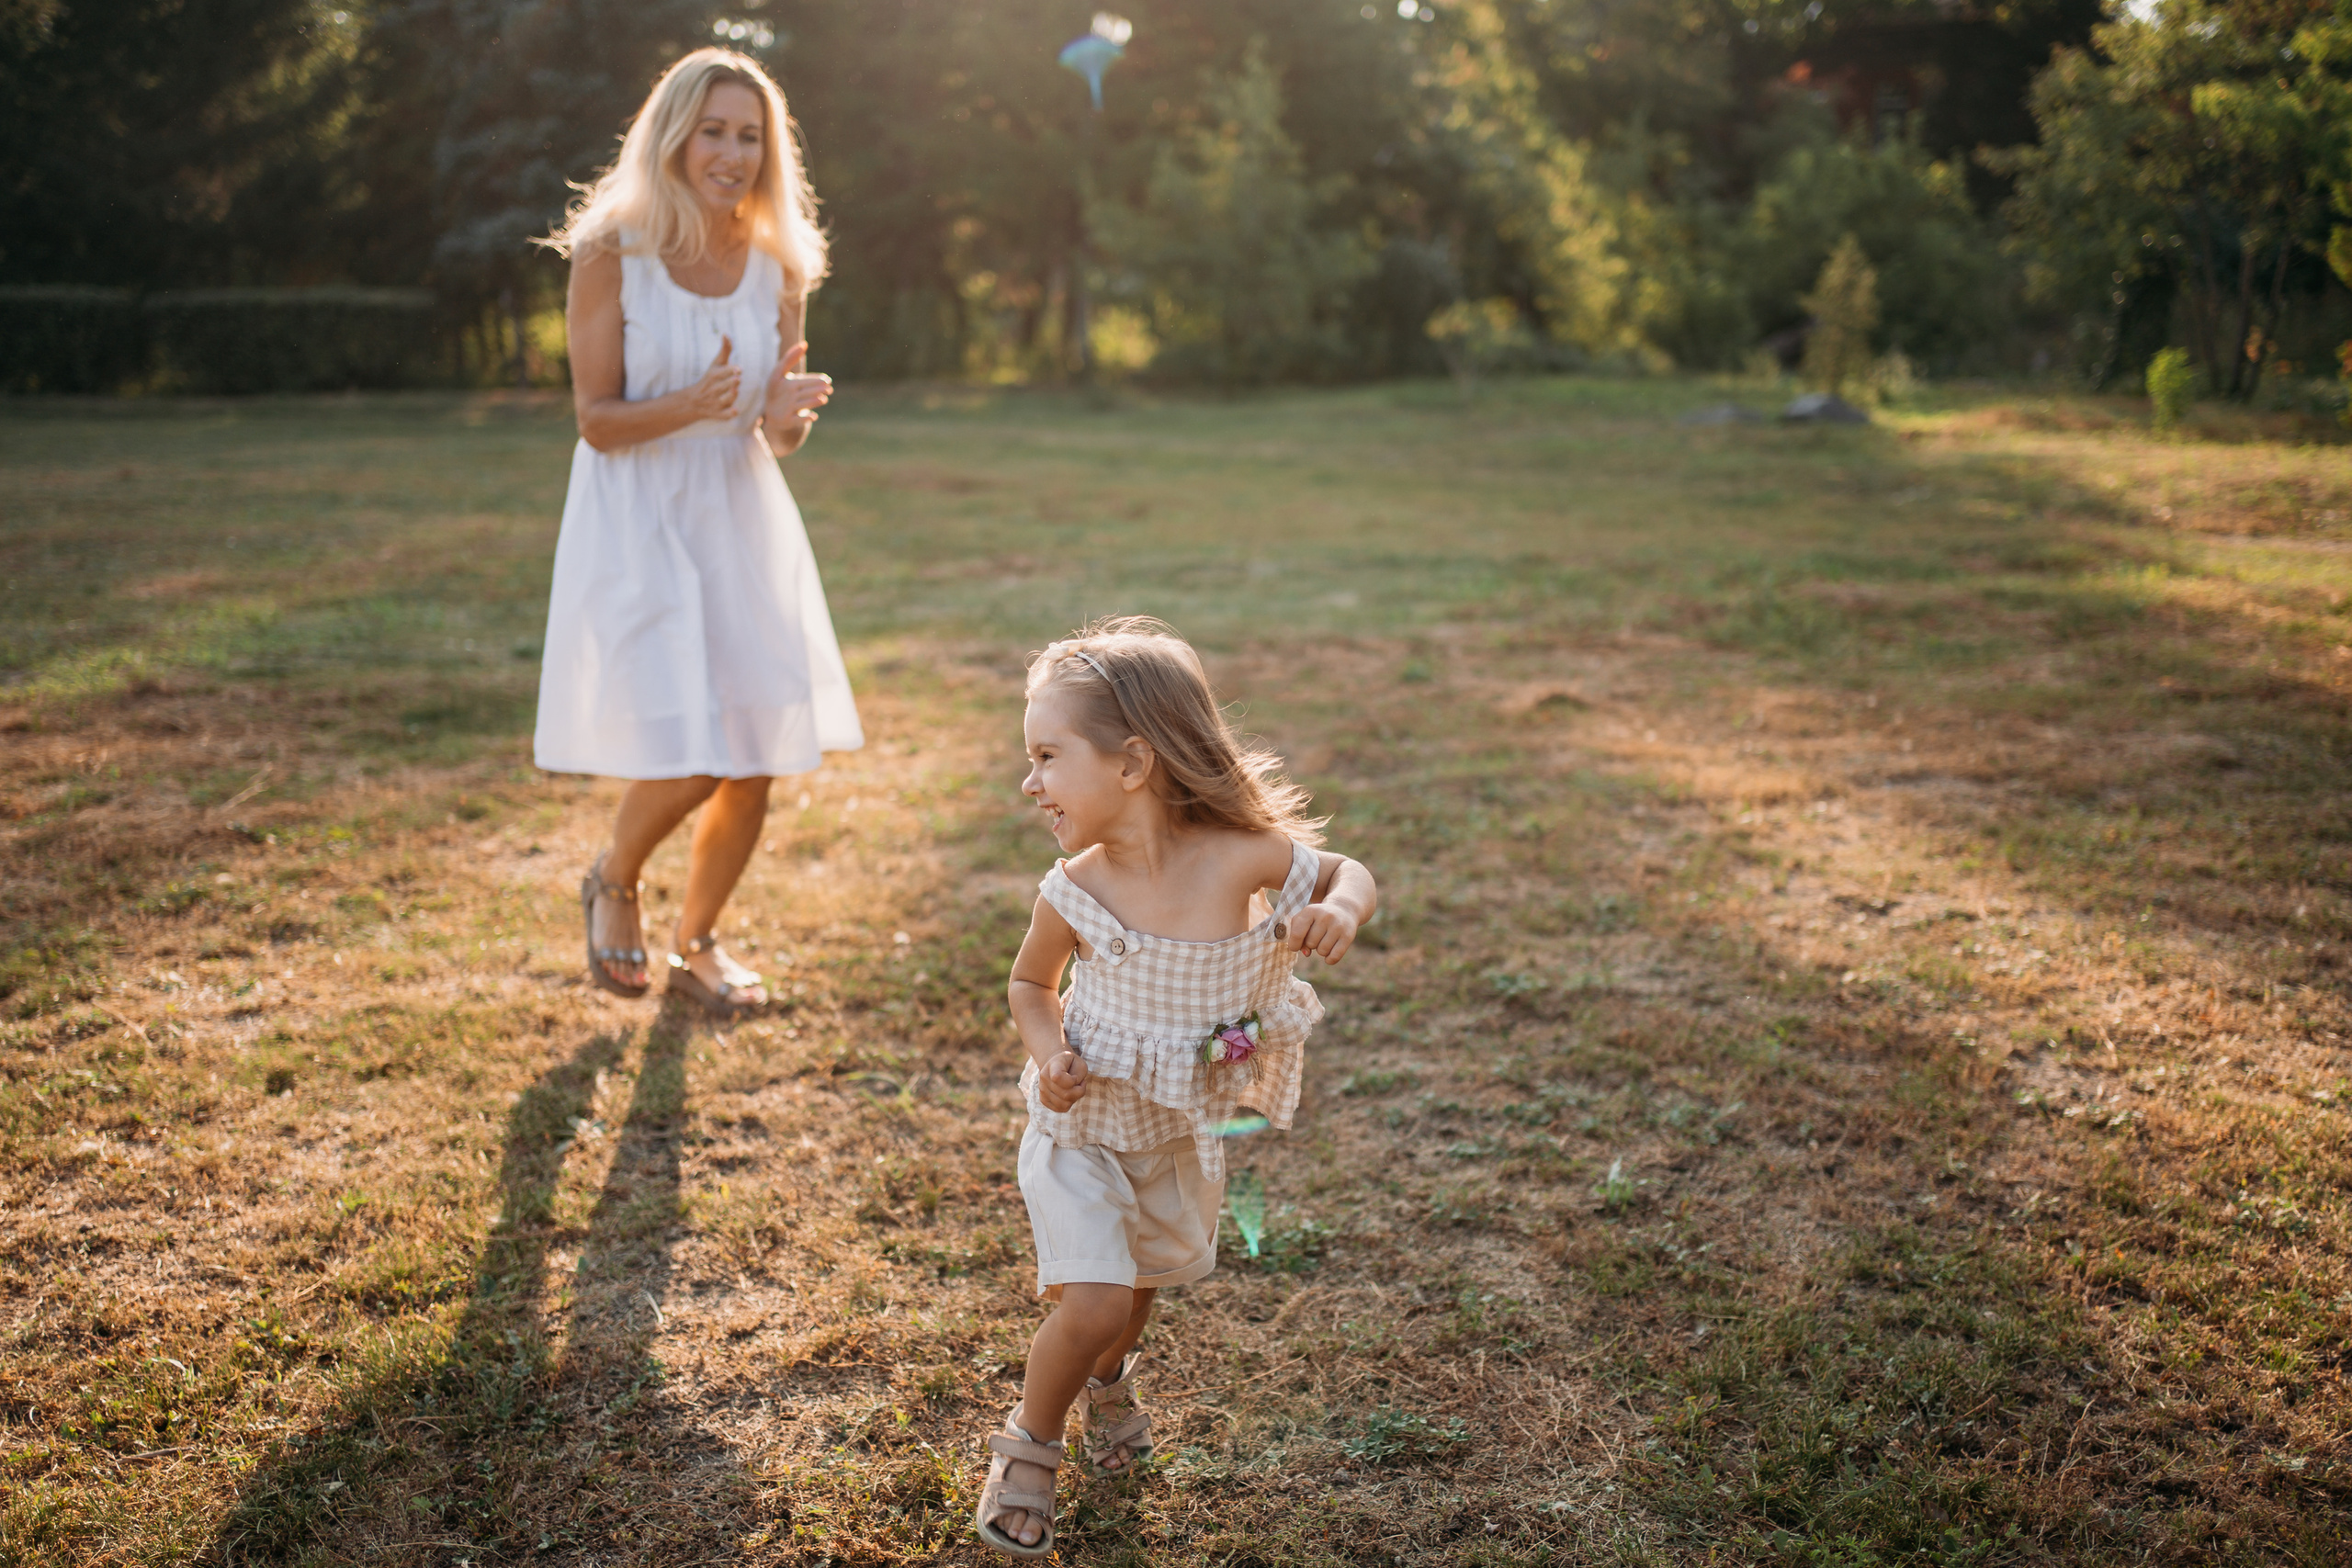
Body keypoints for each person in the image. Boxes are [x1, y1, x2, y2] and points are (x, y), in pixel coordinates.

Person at [974, 618, 1379, 1559]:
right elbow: (1029, 985)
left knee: (1143, 1285)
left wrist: (1339, 911)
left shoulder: (1237, 856)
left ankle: (1108, 1387)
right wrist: (1048, 1052)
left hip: (1175, 1131)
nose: (1028, 783)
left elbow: (1345, 870)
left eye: (1045, 756)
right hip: (1082, 1134)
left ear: (1132, 764)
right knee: (1094, 1301)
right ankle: (1029, 1446)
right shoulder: (1072, 889)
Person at [534, 48, 861, 1015]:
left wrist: (789, 411)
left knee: (756, 752)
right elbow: (596, 418)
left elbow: (774, 432)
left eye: (749, 136)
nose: (731, 152)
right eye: (713, 131)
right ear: (673, 134)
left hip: (740, 509)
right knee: (693, 750)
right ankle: (615, 877)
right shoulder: (611, 250)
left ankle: (701, 942)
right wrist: (687, 404)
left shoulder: (778, 263)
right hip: (639, 514)